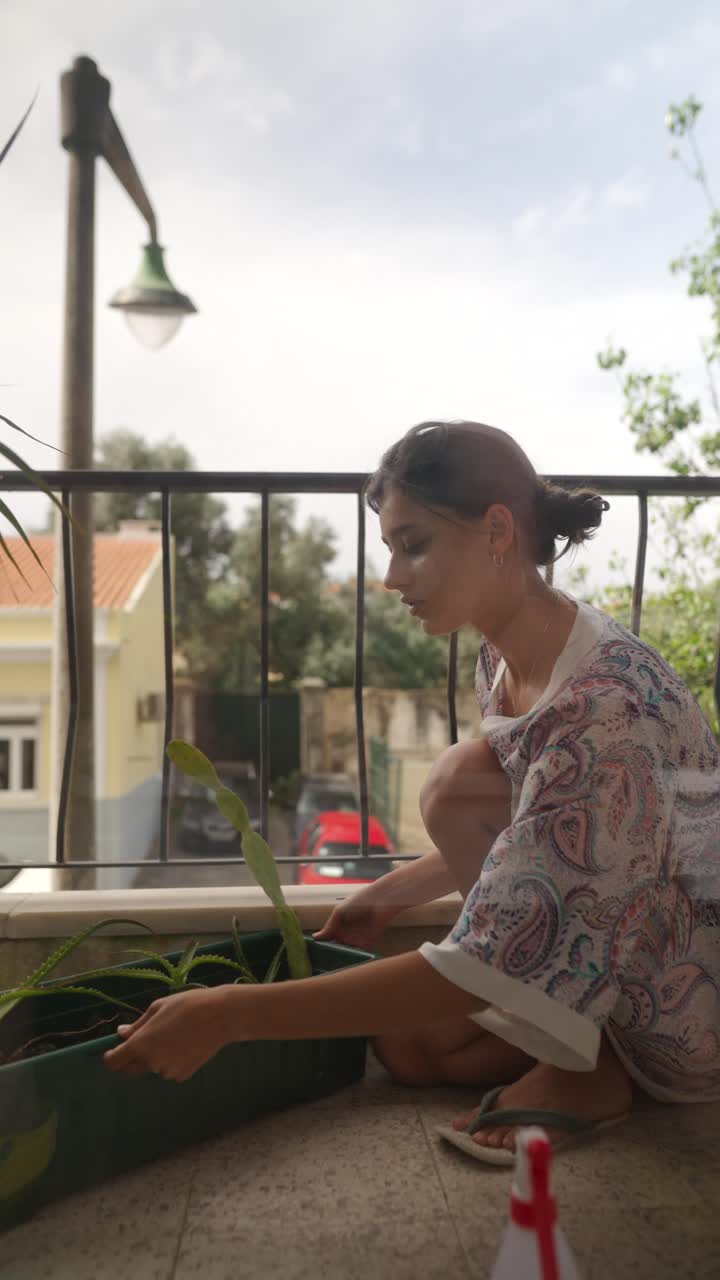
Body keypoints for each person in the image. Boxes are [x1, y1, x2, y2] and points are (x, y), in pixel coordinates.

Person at [105, 419, 720, 1163]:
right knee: (410, 1049)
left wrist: (228, 1015)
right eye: (391, 549)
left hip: (681, 1000)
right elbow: (558, 835)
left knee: (452, 810)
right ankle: (574, 1050)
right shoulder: (510, 648)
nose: (393, 578)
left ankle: (587, 1072)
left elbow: (501, 947)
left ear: (497, 530)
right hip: (603, 929)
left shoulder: (605, 711)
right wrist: (387, 895)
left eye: (414, 544)